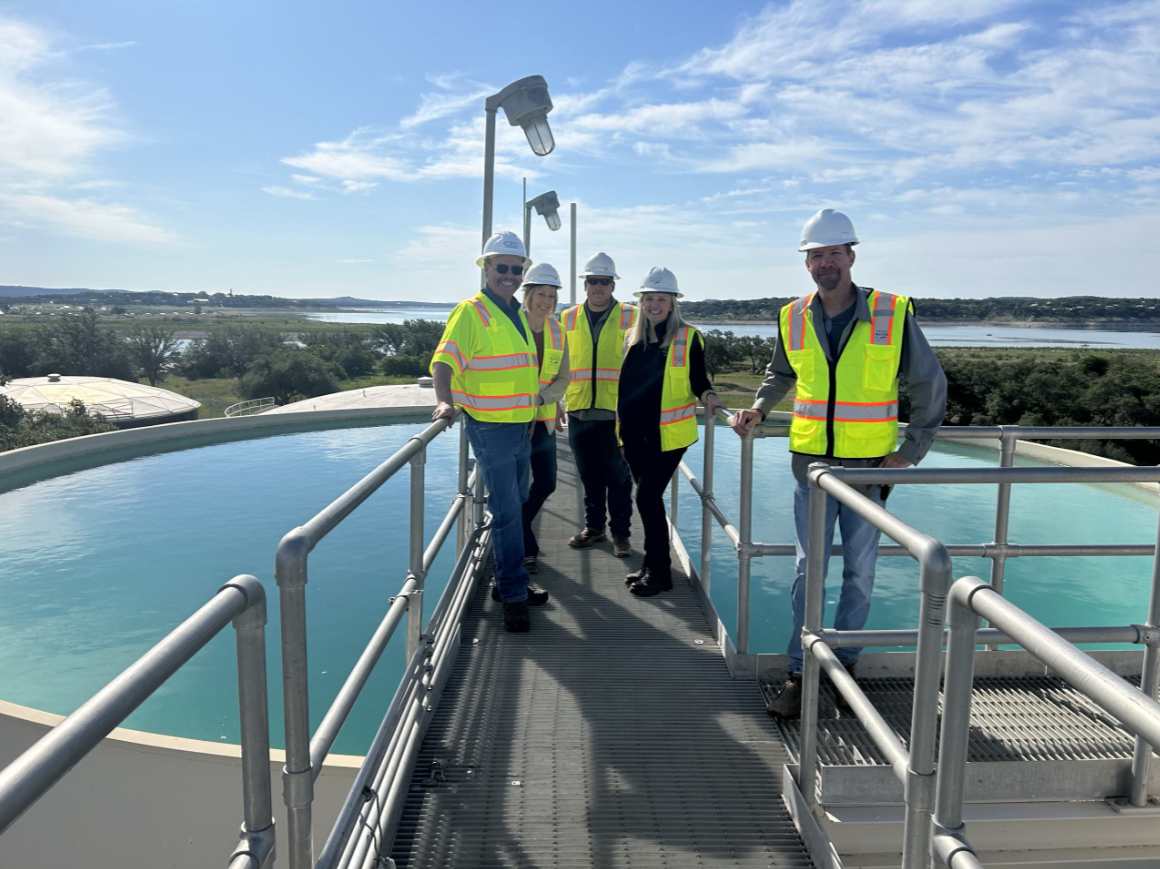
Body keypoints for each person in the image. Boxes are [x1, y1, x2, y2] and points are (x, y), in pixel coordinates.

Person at [730, 209, 947, 718]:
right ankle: (800, 673)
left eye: (833, 253)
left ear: (851, 255)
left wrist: (910, 450)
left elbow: (928, 384)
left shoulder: (892, 313)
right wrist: (759, 408)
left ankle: (845, 668)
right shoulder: (793, 316)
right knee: (809, 570)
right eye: (815, 256)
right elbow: (780, 372)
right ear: (806, 263)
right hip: (812, 468)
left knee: (860, 573)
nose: (825, 263)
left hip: (870, 469)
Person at [431, 231, 551, 633]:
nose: (510, 274)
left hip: (520, 426)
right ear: (485, 268)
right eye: (502, 267)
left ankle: (507, 579)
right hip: (491, 425)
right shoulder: (472, 311)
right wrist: (445, 401)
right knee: (506, 513)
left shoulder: (514, 311)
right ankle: (513, 594)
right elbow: (443, 362)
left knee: (515, 504)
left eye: (517, 269)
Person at [618, 268, 726, 597]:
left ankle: (660, 574)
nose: (654, 304)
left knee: (646, 497)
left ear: (673, 303)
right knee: (649, 502)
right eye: (648, 298)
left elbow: (698, 381)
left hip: (668, 437)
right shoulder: (632, 338)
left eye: (660, 299)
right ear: (641, 302)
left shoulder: (689, 336)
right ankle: (653, 565)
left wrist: (710, 398)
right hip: (633, 435)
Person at [561, 252, 637, 557]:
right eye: (593, 281)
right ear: (585, 284)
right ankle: (594, 529)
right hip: (578, 408)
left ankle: (621, 534)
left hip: (616, 411)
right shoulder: (567, 317)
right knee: (588, 475)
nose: (598, 287)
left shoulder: (633, 316)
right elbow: (557, 362)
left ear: (613, 285)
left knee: (618, 477)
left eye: (604, 281)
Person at [518, 262, 571, 575]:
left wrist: (543, 398)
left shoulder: (558, 330)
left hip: (543, 420)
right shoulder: (512, 325)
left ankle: (519, 527)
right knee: (516, 487)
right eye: (541, 293)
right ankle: (526, 547)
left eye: (552, 295)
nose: (547, 301)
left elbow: (563, 378)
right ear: (528, 294)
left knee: (547, 482)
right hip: (513, 420)